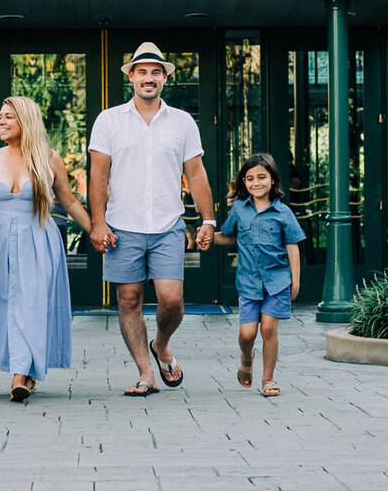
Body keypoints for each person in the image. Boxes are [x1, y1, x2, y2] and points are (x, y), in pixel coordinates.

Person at [0, 96, 92, 402]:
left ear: (25, 121)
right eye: (0, 116)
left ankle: (20, 374)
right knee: (5, 303)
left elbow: (69, 201)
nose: (1, 121)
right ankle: (24, 369)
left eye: (8, 116)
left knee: (30, 303)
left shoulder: (49, 159)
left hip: (37, 238)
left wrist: (97, 231)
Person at [88, 41, 216, 397]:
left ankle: (161, 345)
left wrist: (208, 219)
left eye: (155, 72)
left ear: (164, 79)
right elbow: (98, 176)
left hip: (167, 225)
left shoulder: (182, 122)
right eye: (142, 71)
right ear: (131, 76)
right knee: (129, 300)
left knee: (172, 300)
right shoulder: (108, 120)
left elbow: (196, 173)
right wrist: (98, 223)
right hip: (122, 226)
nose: (149, 77)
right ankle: (146, 373)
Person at [212, 153, 304, 398]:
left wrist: (295, 280)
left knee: (269, 331)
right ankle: (246, 356)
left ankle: (268, 379)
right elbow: (229, 235)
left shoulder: (283, 213)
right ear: (244, 182)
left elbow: (292, 246)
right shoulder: (239, 209)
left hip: (278, 281)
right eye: (250, 178)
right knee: (247, 334)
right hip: (249, 282)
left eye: (262, 177)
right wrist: (209, 237)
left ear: (272, 180)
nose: (256, 183)